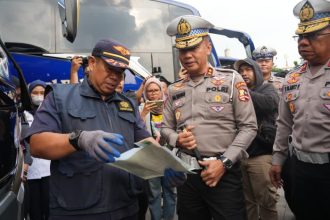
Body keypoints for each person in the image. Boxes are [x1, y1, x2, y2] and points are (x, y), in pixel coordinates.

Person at [27, 38, 152, 220]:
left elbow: (145, 142)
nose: (115, 77)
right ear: (92, 63)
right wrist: (78, 139)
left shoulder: (127, 104)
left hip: (126, 207)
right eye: (110, 69)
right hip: (78, 210)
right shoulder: (60, 97)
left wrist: (164, 165)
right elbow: (37, 144)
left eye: (120, 72)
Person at [161, 15, 258, 220]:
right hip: (188, 176)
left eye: (193, 47)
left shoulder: (232, 80)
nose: (187, 55)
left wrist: (224, 163)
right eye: (182, 50)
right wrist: (176, 139)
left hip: (224, 174)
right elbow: (165, 128)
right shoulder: (173, 89)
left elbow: (249, 127)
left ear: (207, 46)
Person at [269, 0, 330, 219]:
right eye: (300, 37)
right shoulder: (292, 78)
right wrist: (278, 160)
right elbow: (284, 124)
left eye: (313, 36)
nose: (303, 43)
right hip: (299, 168)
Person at [234, 58, 279, 220]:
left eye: (248, 70)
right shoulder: (236, 91)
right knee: (247, 202)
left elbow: (270, 103)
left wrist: (241, 91)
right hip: (240, 154)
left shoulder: (267, 88)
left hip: (261, 155)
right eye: (240, 71)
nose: (244, 74)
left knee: (266, 201)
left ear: (256, 71)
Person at [139, 77, 176, 220]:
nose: (153, 94)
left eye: (156, 90)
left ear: (161, 91)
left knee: (170, 192)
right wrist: (143, 114)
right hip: (151, 156)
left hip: (168, 154)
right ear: (146, 93)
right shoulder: (141, 108)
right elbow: (137, 129)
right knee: (154, 193)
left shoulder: (169, 107)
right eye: (149, 91)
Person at [23, 80, 51, 220]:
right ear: (29, 94)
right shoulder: (23, 114)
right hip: (30, 170)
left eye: (42, 93)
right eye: (35, 93)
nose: (39, 96)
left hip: (49, 169)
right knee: (34, 209)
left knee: (50, 207)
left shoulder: (50, 113)